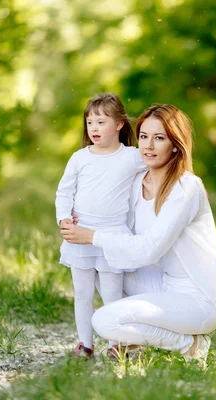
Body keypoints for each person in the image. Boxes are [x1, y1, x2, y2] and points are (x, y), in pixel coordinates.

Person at [60, 104, 216, 361]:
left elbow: (148, 249)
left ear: (175, 144)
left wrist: (92, 236)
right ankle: (141, 340)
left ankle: (187, 343)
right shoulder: (137, 181)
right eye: (144, 137)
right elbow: (110, 210)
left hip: (197, 298)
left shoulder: (186, 188)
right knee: (99, 266)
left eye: (159, 138)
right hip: (162, 283)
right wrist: (74, 216)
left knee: (104, 321)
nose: (148, 146)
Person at [55, 93, 144, 358]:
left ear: (118, 124)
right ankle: (85, 343)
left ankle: (115, 343)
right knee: (82, 294)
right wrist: (63, 218)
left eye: (101, 122)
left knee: (111, 293)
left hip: (111, 235)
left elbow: (159, 162)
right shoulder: (80, 158)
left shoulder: (131, 156)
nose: (94, 128)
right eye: (90, 122)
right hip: (78, 237)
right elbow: (64, 192)